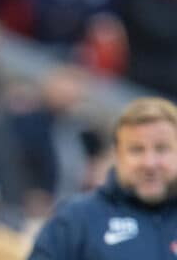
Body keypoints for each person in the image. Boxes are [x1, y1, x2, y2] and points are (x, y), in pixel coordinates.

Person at [28, 97, 177, 260]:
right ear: (117, 155)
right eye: (136, 150)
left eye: (162, 149)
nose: (149, 163)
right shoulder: (76, 219)